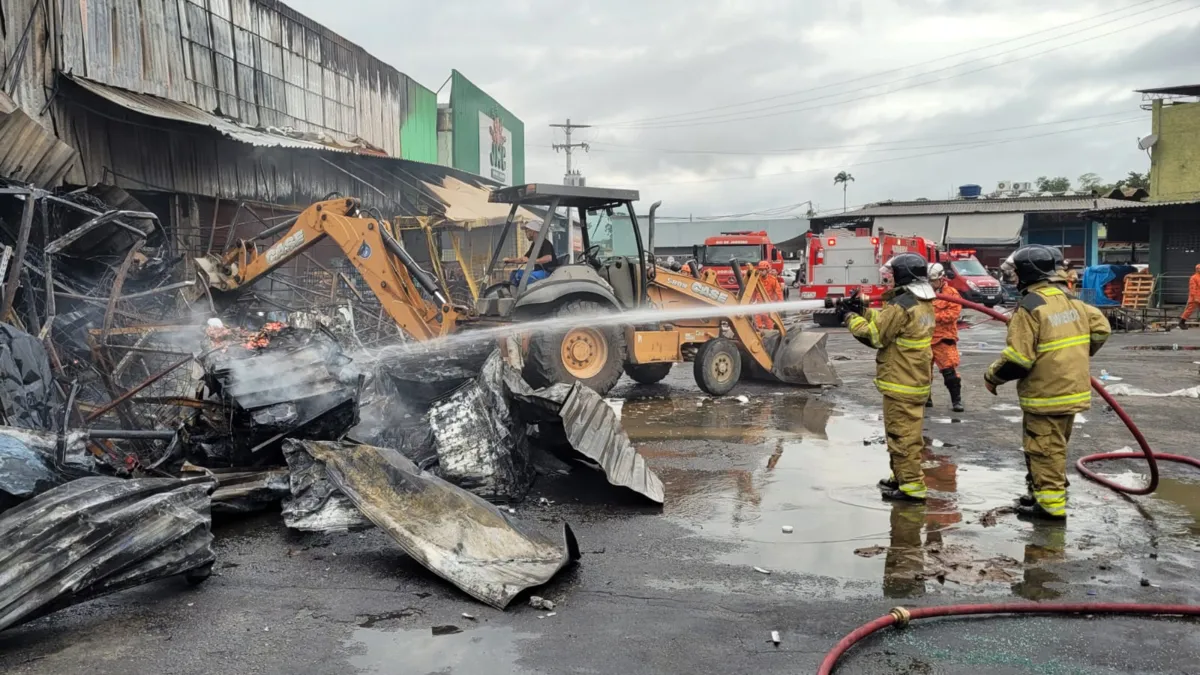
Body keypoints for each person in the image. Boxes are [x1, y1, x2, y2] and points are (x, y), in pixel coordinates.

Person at [984, 245, 1111, 520]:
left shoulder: (1030, 307)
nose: (1014, 279)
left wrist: (992, 376)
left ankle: (1051, 507)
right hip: (1071, 390)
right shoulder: (1072, 300)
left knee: (1043, 450)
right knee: (1054, 447)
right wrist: (1077, 354)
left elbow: (1018, 359)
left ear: (1029, 272)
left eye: (1017, 273)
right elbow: (1102, 328)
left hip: (1045, 394)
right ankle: (1042, 494)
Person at [845, 253, 936, 502]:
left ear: (902, 275)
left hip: (901, 380)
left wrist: (851, 319)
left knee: (901, 434)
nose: (889, 279)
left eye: (892, 275)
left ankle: (911, 486)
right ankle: (901, 476)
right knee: (905, 432)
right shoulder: (921, 302)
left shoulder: (902, 304)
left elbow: (876, 337)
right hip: (914, 377)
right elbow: (889, 324)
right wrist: (863, 311)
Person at [927, 263, 964, 412]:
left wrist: (930, 317)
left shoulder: (952, 293)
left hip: (943, 338)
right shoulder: (922, 293)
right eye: (928, 281)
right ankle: (926, 399)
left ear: (941, 279)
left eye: (933, 281)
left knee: (949, 372)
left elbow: (953, 314)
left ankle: (956, 401)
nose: (931, 284)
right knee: (923, 372)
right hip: (925, 339)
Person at [504, 219, 557, 287]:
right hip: (538, 272)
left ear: (533, 232)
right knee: (514, 273)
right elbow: (523, 259)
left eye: (527, 231)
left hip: (547, 273)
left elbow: (548, 258)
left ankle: (520, 294)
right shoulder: (534, 245)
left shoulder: (545, 243)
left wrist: (531, 261)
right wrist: (509, 260)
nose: (526, 233)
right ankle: (514, 293)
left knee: (520, 275)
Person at [1179, 263, 1200, 330]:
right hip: (1195, 298)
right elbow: (1192, 288)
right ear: (1196, 269)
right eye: (1198, 268)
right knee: (1189, 310)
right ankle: (1181, 323)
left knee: (1189, 310)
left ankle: (1181, 323)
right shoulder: (1194, 277)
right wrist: (1195, 297)